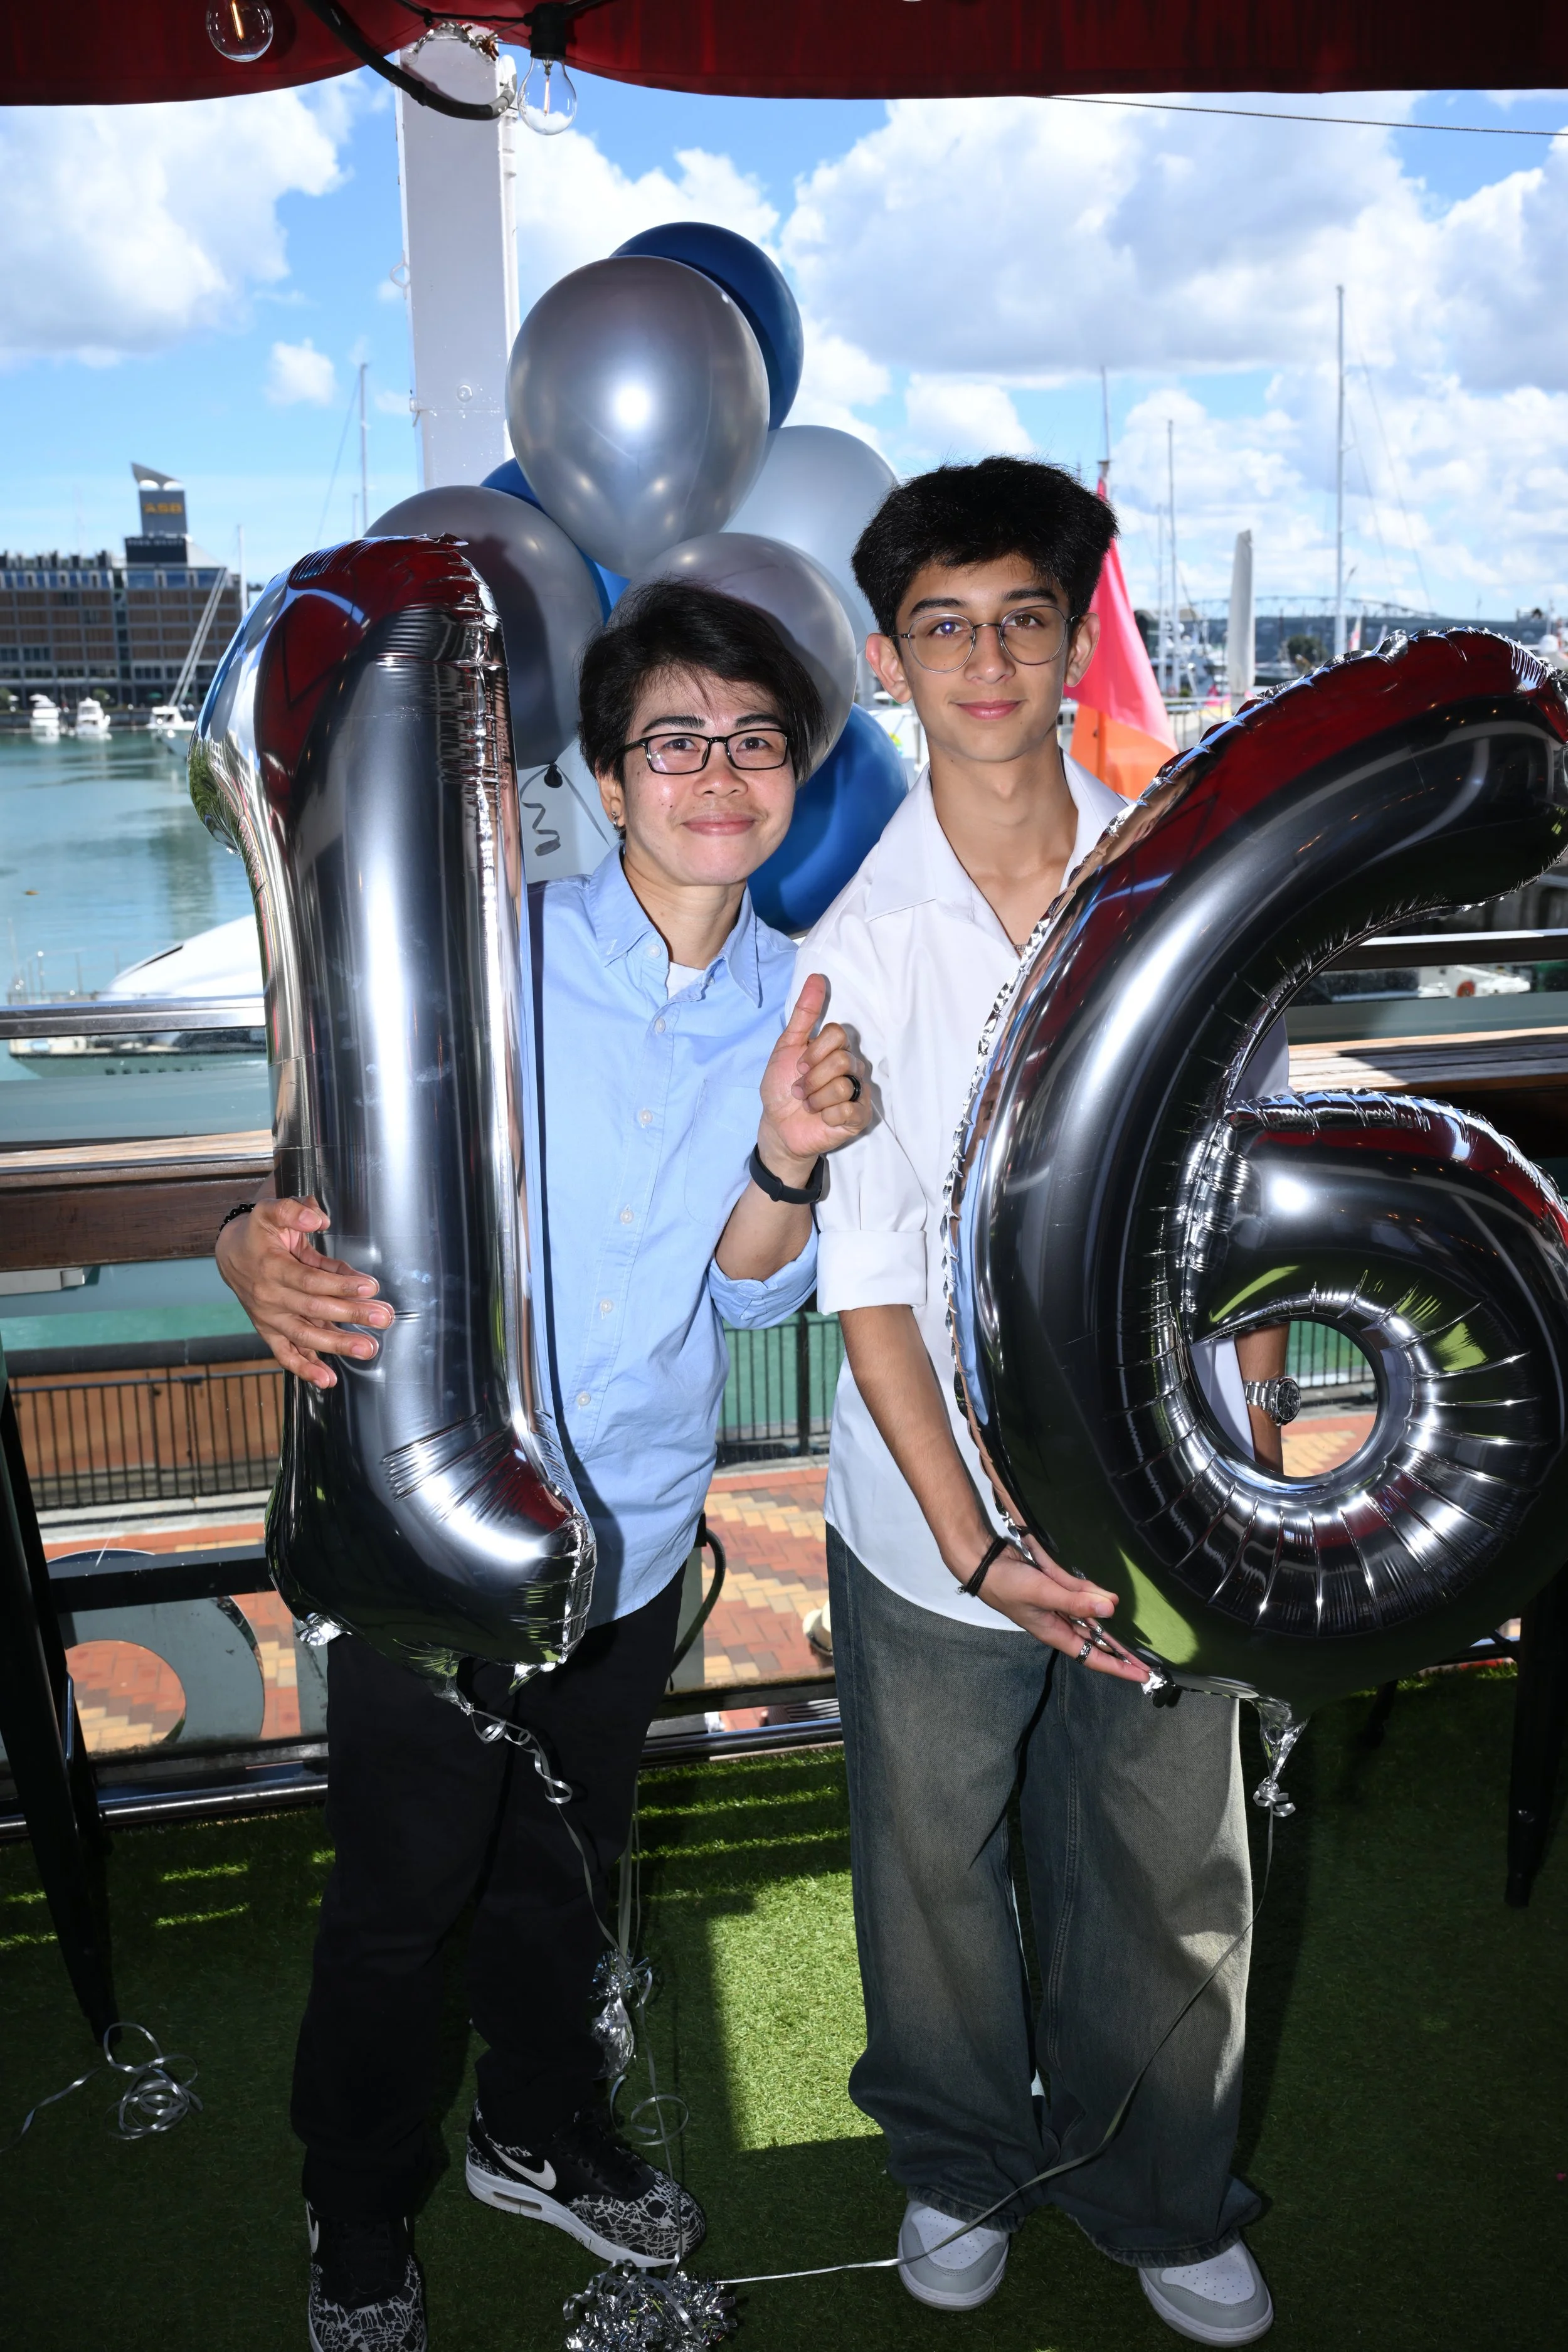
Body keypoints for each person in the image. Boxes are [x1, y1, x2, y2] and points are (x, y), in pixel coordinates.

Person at [217, 581, 871, 2352]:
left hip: (635, 1530)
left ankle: (536, 2125)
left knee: (565, 1875)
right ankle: (355, 2216)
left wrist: (790, 1153)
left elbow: (751, 1295)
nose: (716, 772)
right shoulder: (481, 949)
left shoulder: (797, 1006)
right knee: (395, 1903)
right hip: (433, 1520)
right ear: (604, 770)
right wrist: (239, 1244)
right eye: (676, 737)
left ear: (795, 775)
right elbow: (305, 1156)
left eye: (753, 740)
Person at [800, 457, 1289, 2344]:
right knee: (931, 1874)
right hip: (933, 1524)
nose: (986, 657)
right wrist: (979, 1537)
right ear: (886, 656)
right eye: (944, 624)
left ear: (1070, 633)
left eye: (1020, 616)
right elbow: (866, 1285)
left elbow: (1225, 1194)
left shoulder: (1182, 892)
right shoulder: (848, 936)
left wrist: (1239, 1458)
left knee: (1172, 1867)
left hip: (1165, 1492)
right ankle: (951, 2162)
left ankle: (1160, 2187)